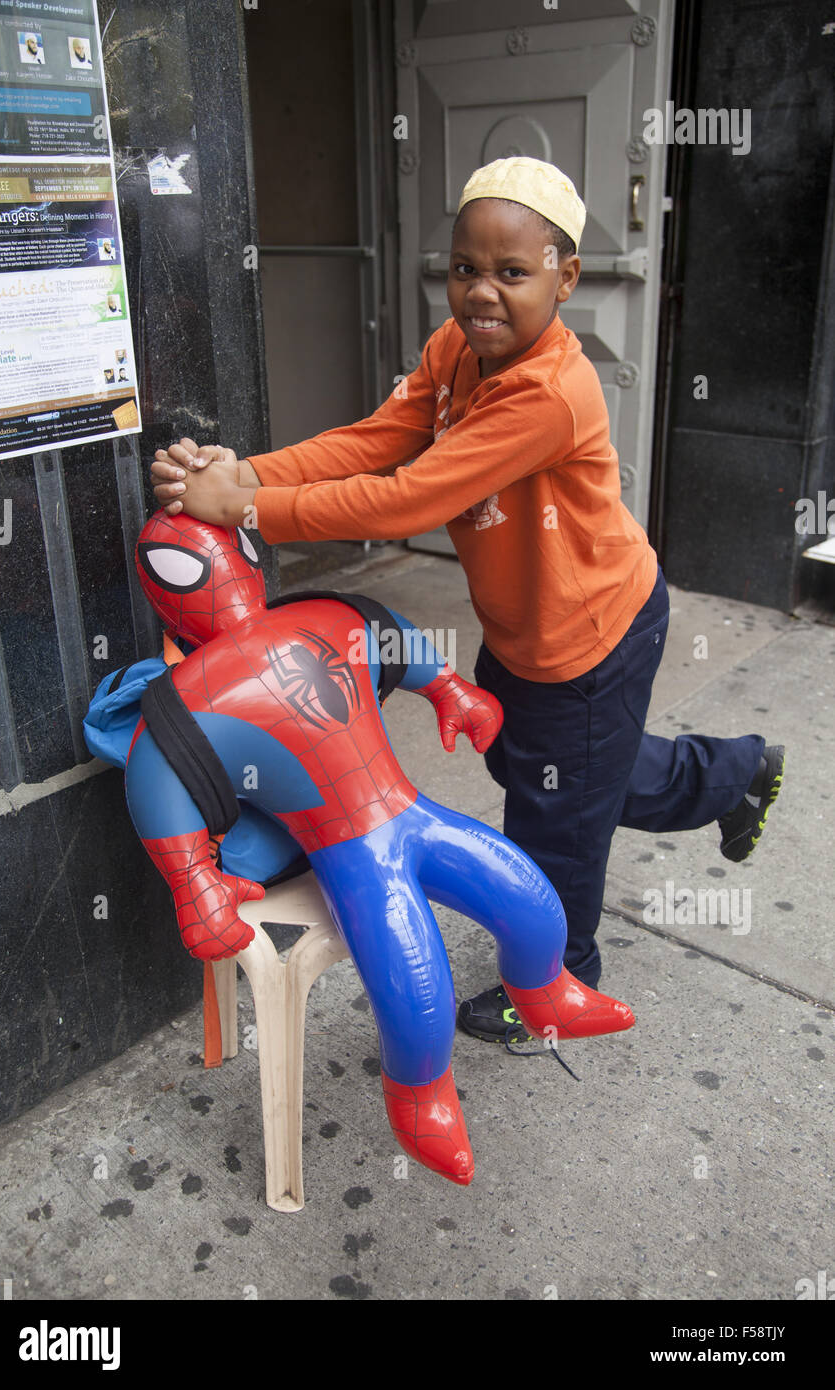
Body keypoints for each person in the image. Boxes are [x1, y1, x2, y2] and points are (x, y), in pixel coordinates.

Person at [151, 156, 785, 1043]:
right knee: (553, 772)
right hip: (523, 629)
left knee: (552, 814)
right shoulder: (457, 351)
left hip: (592, 635)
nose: (482, 292)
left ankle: (556, 980)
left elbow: (407, 497)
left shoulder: (551, 392)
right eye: (464, 269)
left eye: (512, 274)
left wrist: (249, 508)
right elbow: (377, 440)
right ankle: (734, 775)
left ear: (566, 281)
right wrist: (245, 472)